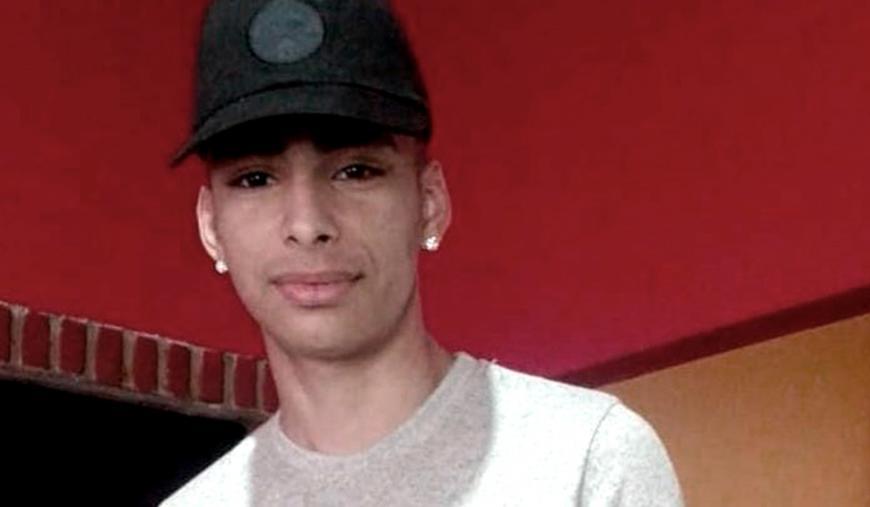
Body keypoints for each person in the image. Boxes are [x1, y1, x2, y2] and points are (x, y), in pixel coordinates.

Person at [164, 0, 683, 505]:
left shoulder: (584, 458)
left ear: (430, 203)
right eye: (255, 179)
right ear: (211, 226)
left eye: (355, 171)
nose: (307, 224)